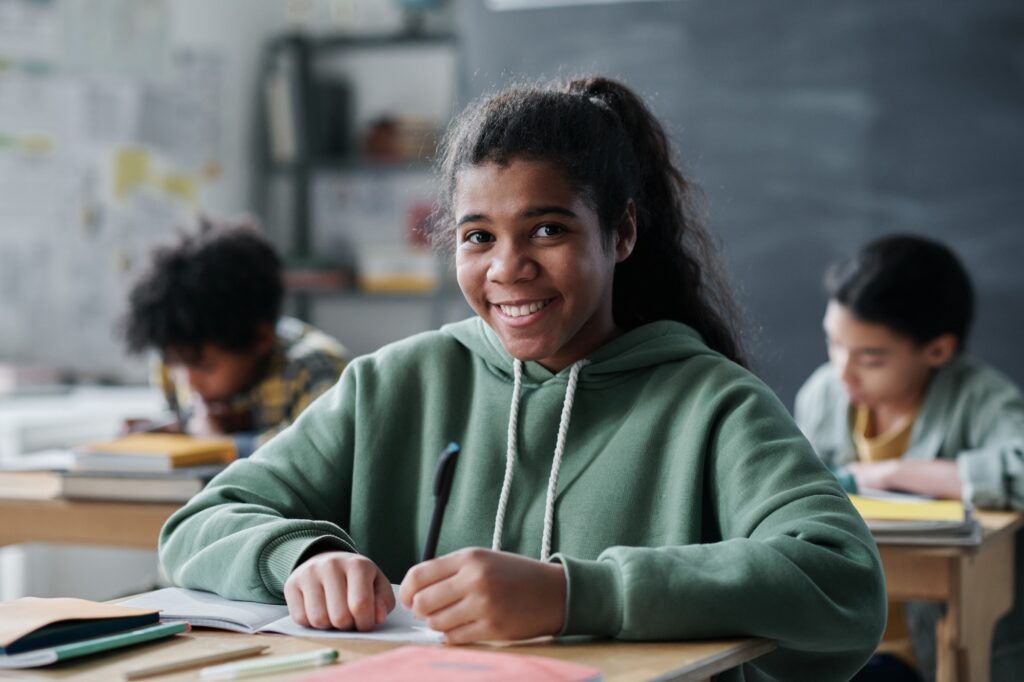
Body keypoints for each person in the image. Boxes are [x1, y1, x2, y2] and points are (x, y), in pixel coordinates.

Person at [159, 77, 885, 681]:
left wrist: (575, 596)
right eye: (478, 237)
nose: (508, 267)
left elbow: (843, 579)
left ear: (622, 233)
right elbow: (198, 525)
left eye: (548, 230)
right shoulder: (392, 385)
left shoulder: (709, 402)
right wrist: (302, 557)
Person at [795, 234, 1024, 682]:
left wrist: (890, 472)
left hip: (927, 655)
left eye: (871, 358)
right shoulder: (823, 394)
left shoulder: (978, 397)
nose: (843, 369)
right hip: (840, 645)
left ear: (938, 350)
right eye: (834, 344)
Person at [123, 219, 349, 457]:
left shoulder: (315, 373)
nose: (189, 382)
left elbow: (319, 456)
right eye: (177, 363)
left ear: (260, 339)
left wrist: (224, 445)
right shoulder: (175, 361)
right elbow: (190, 424)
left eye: (206, 366)